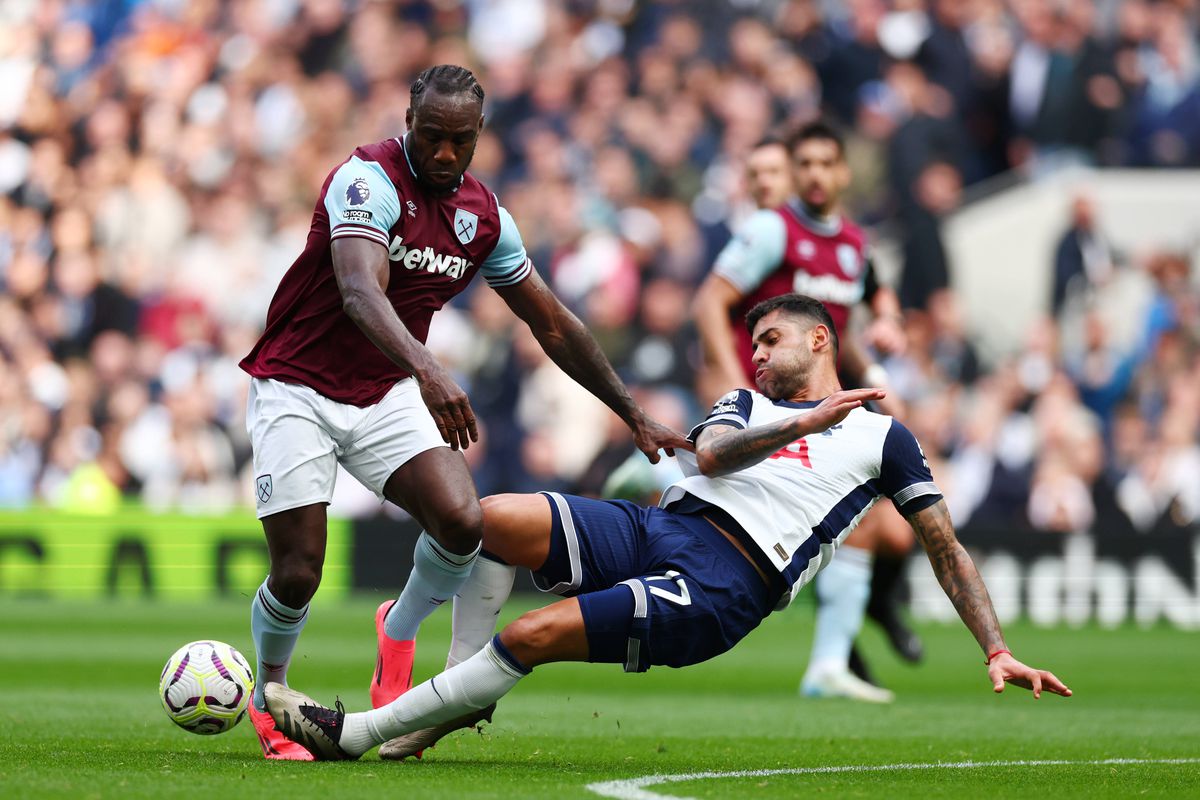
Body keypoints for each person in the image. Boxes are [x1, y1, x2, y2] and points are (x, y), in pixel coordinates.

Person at [261, 294, 1072, 762]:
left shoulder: (881, 435)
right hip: (665, 526)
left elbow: (944, 545)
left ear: (821, 339)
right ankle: (454, 692)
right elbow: (714, 456)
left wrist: (994, 646)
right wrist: (802, 421)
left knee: (538, 632)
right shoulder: (749, 406)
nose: (754, 354)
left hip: (728, 582)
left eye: (771, 339)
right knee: (482, 518)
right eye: (752, 342)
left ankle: (357, 733)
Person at [238, 64, 687, 760]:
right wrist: (429, 370)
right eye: (431, 136)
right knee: (299, 571)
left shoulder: (485, 218)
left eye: (460, 141)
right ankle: (273, 698)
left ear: (480, 135)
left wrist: (632, 412)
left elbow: (556, 325)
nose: (444, 153)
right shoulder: (366, 182)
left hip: (383, 390)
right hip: (297, 386)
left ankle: (400, 626)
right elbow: (359, 291)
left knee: (462, 523)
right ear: (408, 121)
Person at [692, 120, 917, 702]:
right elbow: (710, 301)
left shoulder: (852, 244)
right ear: (796, 172)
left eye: (826, 163)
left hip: (829, 402)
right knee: (859, 524)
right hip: (776, 403)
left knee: (885, 531)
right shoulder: (774, 230)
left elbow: (860, 305)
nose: (816, 175)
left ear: (843, 171)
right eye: (806, 164)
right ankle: (839, 653)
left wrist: (882, 345)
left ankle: (849, 641)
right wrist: (736, 383)